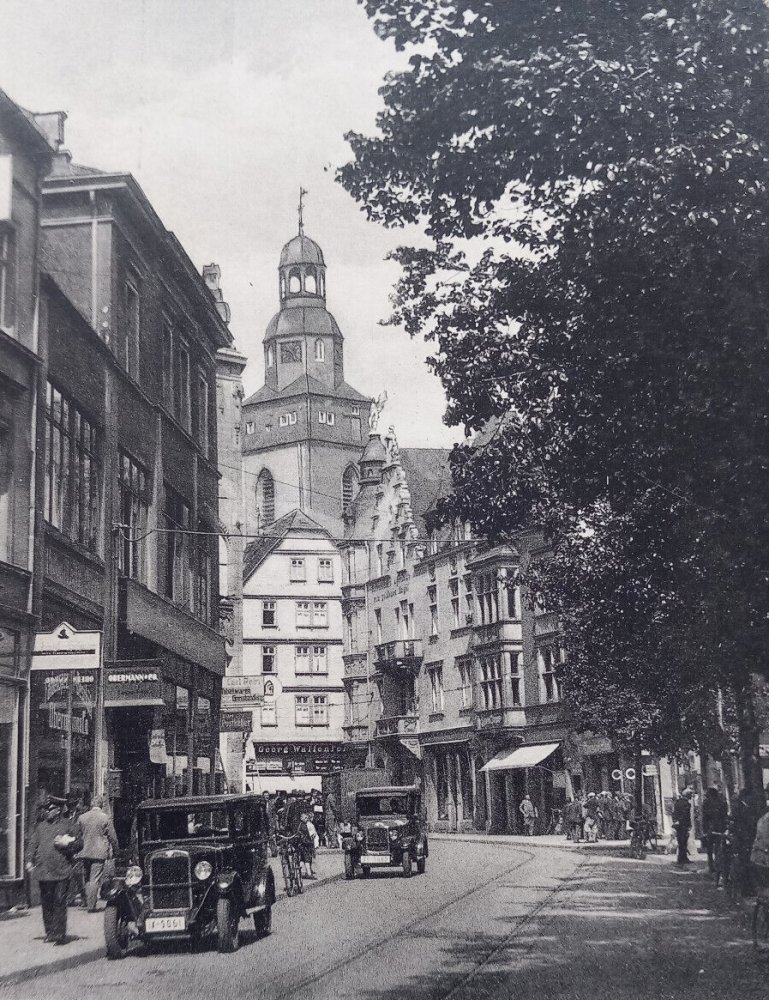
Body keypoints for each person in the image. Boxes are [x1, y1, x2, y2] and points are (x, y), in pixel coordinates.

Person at [26, 796, 83, 945]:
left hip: (62, 870)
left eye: (50, 809)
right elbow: (33, 844)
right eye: (47, 809)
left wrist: (68, 844)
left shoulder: (67, 825)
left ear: (58, 810)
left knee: (59, 901)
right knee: (47, 902)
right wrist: (29, 860)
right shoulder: (41, 827)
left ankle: (59, 934)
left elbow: (79, 843)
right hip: (44, 871)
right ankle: (50, 932)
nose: (47, 812)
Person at [76, 793, 118, 911]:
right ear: (101, 805)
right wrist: (116, 850)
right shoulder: (105, 818)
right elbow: (112, 837)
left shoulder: (82, 817)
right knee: (94, 878)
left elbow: (76, 835)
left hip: (85, 851)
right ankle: (91, 906)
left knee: (88, 878)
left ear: (91, 804)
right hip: (99, 852)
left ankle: (86, 901)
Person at [701, 785, 728, 874]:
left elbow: (705, 817)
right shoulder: (722, 802)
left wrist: (704, 829)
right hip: (720, 827)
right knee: (718, 848)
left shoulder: (706, 803)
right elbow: (725, 815)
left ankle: (711, 866)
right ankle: (718, 866)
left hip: (710, 827)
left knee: (709, 849)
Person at [672, 788, 693, 865]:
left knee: (681, 842)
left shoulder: (677, 802)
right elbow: (686, 815)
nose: (691, 796)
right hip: (683, 825)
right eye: (690, 794)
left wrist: (675, 821)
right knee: (683, 842)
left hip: (678, 825)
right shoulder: (686, 803)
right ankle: (682, 858)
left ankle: (682, 858)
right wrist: (689, 824)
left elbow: (674, 813)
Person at [297, 810, 318, 879]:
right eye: (305, 818)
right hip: (306, 844)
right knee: (307, 859)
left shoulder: (300, 825)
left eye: (307, 818)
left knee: (302, 859)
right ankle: (309, 873)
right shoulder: (306, 825)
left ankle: (299, 872)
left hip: (302, 844)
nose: (307, 819)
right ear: (301, 818)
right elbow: (311, 835)